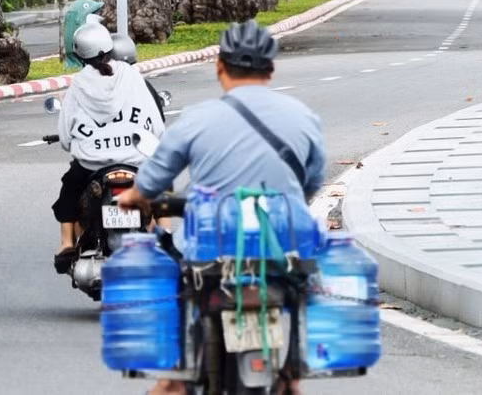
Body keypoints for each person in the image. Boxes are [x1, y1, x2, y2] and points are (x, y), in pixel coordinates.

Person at [117, 21, 324, 395]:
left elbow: (150, 181)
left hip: (211, 247)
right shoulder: (304, 117)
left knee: (175, 278)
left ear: (219, 66)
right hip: (284, 242)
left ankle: (174, 379)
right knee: (300, 287)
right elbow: (311, 183)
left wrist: (132, 197)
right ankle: (291, 374)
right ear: (271, 70)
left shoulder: (197, 118)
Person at [54, 20, 166, 273]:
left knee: (69, 189)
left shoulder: (78, 84)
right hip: (135, 159)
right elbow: (156, 123)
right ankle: (165, 232)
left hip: (92, 164)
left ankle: (66, 243)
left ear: (79, 54)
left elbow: (65, 138)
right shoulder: (131, 75)